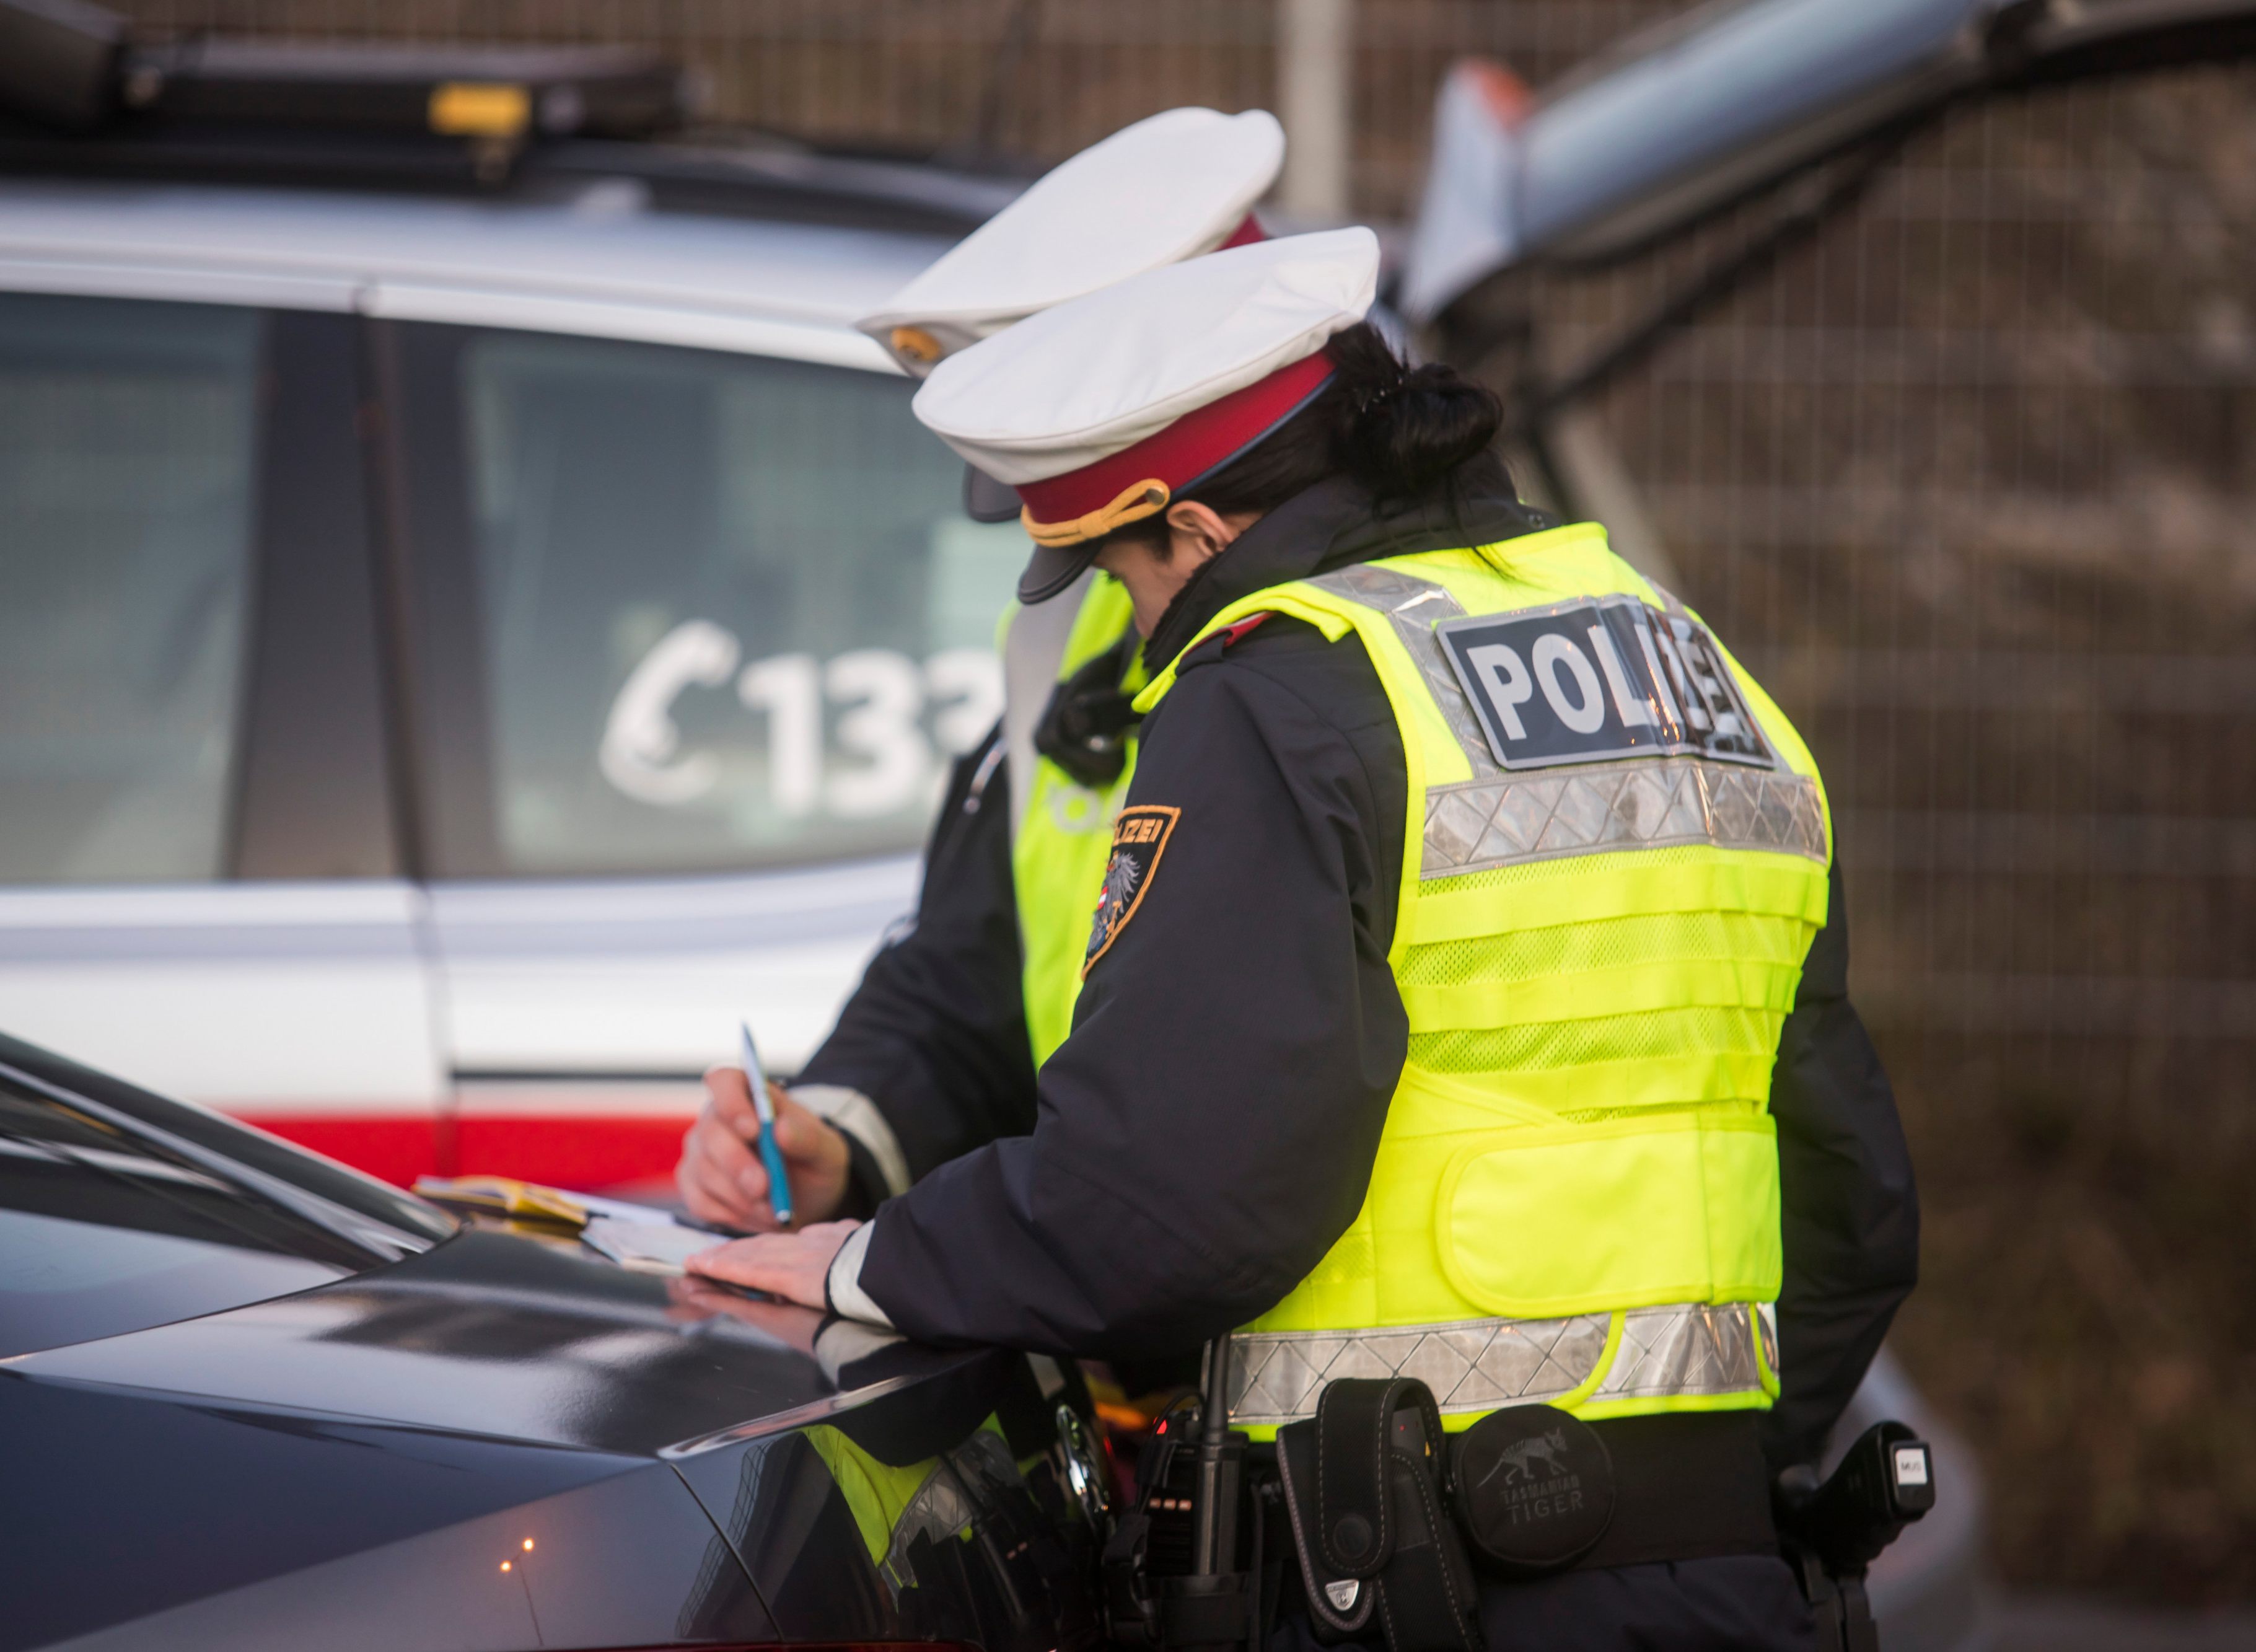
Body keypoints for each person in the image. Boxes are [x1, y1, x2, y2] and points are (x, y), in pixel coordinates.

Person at [682, 227, 1920, 1651]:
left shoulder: (1284, 686)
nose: (1140, 632)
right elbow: (1855, 1209)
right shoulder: (1696, 671)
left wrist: (866, 1260)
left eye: (1130, 582)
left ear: (1197, 527)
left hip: (1408, 1589)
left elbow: (1168, 1201)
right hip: (1729, 1580)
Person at [675, 104, 1284, 1230]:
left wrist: (909, 1270)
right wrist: (839, 1144)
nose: (1055, 543)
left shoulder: (1343, 649)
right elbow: (974, 968)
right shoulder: (1087, 617)